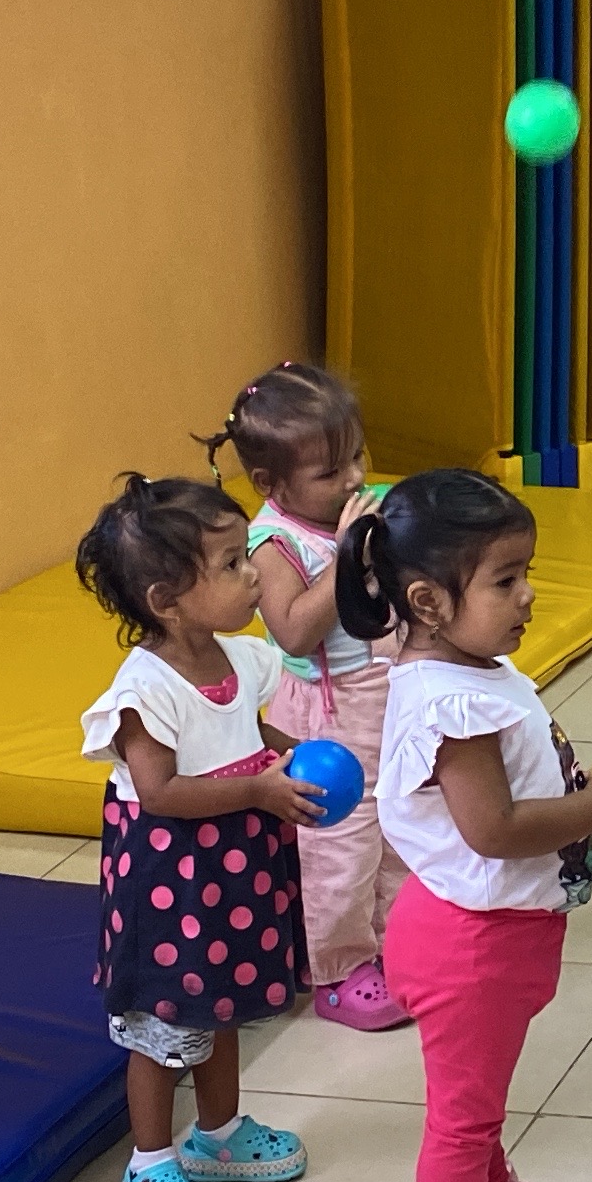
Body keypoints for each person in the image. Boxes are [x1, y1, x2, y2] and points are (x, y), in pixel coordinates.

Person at [337, 470, 592, 1182]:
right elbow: (495, 828)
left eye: (528, 573)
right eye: (505, 580)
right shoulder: (453, 705)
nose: (528, 595)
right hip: (469, 945)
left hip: (488, 932)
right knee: (461, 1117)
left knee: (477, 1099)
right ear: (427, 602)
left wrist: (585, 796)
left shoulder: (468, 666)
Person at [72, 473, 322, 1182]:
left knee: (222, 999)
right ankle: (150, 1162)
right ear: (166, 600)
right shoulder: (145, 690)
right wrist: (258, 790)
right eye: (230, 565)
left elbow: (245, 731)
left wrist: (289, 752)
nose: (253, 576)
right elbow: (160, 793)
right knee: (163, 1023)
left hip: (232, 866)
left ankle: (219, 1134)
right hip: (171, 877)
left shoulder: (239, 660)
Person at [212, 362, 405, 1032]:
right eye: (330, 472)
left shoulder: (353, 511)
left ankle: (399, 947)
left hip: (386, 690)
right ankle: (339, 969)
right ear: (270, 484)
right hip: (329, 710)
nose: (353, 478)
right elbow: (293, 629)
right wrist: (349, 555)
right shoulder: (273, 542)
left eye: (357, 457)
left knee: (399, 825)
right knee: (340, 844)